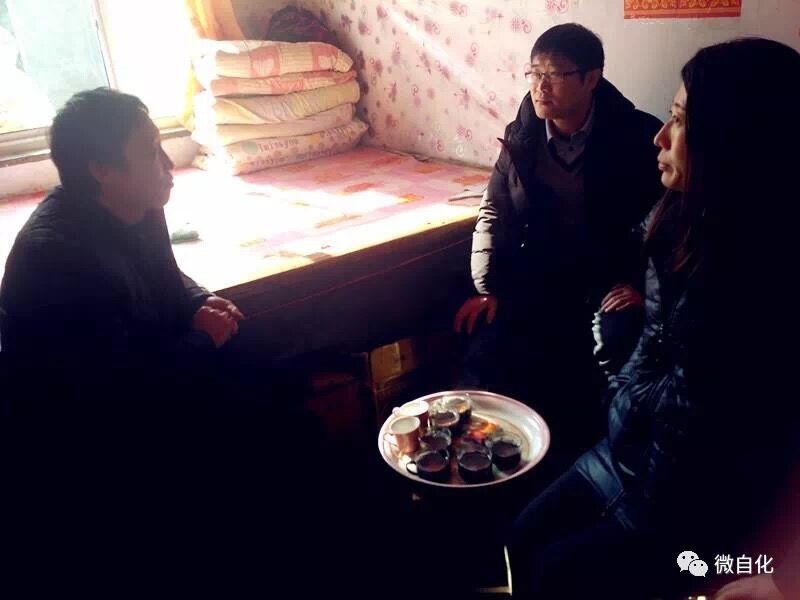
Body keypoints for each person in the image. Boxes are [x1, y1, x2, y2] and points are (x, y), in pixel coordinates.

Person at [506, 38, 800, 599]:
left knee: (554, 572)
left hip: (692, 510)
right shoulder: (680, 217)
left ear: (734, 142)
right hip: (629, 452)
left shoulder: (769, 278)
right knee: (522, 539)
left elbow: (712, 431)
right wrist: (622, 402)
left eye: (681, 121)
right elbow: (654, 350)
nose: (660, 137)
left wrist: (780, 577)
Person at [454, 23, 662, 463]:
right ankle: (477, 452)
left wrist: (641, 287)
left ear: (591, 78)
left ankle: (602, 457)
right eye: (534, 73)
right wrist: (489, 285)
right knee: (485, 337)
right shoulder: (523, 135)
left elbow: (664, 221)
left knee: (615, 339)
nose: (540, 87)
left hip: (610, 275)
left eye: (554, 74)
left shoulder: (638, 136)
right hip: (544, 270)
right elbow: (495, 210)